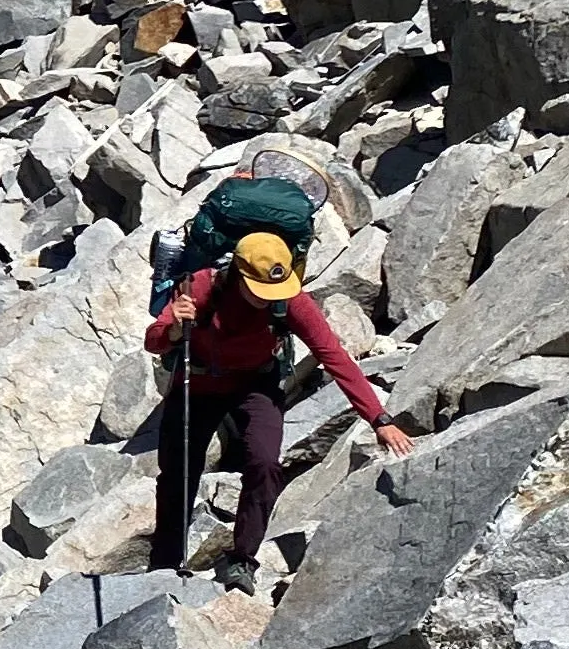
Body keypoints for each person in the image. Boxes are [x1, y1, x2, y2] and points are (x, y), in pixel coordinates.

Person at [143, 226, 408, 581]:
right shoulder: (201, 286)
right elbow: (154, 342)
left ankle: (242, 561)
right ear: (239, 272)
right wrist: (175, 327)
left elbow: (334, 356)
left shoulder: (291, 300)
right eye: (259, 291)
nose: (268, 298)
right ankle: (164, 564)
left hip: (256, 383)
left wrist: (379, 418)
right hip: (199, 384)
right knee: (179, 472)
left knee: (266, 463)